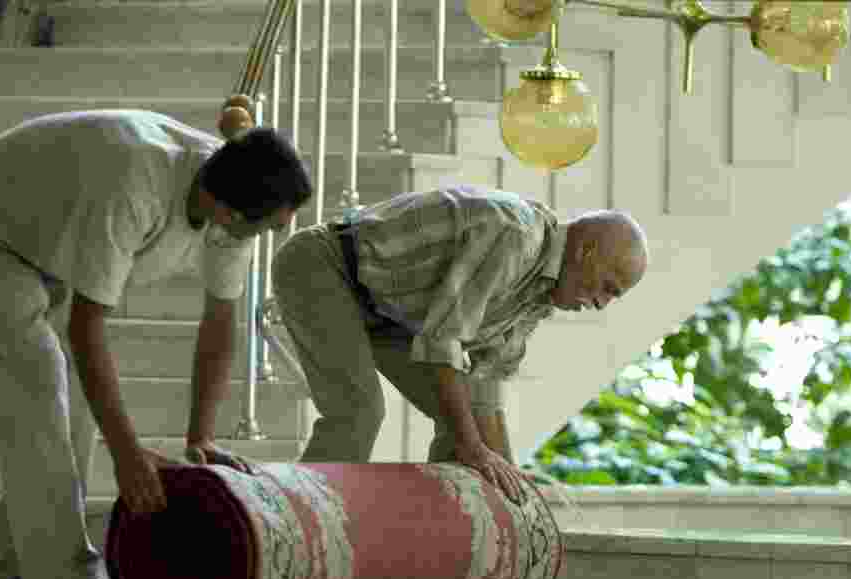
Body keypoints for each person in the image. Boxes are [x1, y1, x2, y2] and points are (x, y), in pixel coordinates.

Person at [0, 109, 312, 579]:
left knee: (72, 411)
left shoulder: (233, 210)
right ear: (229, 211)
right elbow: (87, 330)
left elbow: (220, 325)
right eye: (268, 225)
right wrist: (128, 456)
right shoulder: (134, 184)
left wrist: (198, 439)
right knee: (39, 383)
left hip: (48, 241)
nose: (270, 234)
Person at [271, 185, 647, 503]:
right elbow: (442, 342)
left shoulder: (540, 292)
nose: (601, 303)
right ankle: (299, 528)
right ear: (586, 252)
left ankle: (446, 534)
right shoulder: (516, 236)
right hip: (326, 266)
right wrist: (474, 448)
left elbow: (484, 390)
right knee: (359, 412)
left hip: (387, 310)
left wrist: (511, 482)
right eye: (608, 288)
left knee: (463, 426)